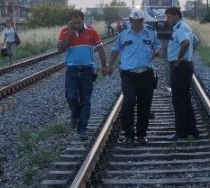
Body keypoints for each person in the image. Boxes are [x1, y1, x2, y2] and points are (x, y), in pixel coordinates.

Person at [107, 8, 161, 144]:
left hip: (146, 74)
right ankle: (128, 134)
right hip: (128, 74)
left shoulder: (151, 32)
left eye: (139, 21)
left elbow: (157, 45)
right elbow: (115, 50)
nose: (137, 24)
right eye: (134, 21)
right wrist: (109, 66)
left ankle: (141, 134)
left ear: (143, 20)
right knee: (129, 102)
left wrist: (157, 50)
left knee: (145, 105)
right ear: (130, 20)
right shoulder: (123, 34)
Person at [57, 10, 108, 139]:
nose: (77, 25)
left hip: (87, 71)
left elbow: (100, 48)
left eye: (79, 22)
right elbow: (60, 48)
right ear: (70, 22)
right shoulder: (65, 31)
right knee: (71, 97)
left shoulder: (92, 31)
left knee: (85, 101)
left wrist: (104, 65)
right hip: (71, 71)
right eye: (74, 23)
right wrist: (69, 32)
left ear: (83, 20)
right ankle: (75, 114)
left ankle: (82, 129)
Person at [165, 6, 199, 141]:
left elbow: (186, 42)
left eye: (168, 17)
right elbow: (195, 42)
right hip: (186, 65)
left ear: (175, 16)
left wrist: (179, 60)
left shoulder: (180, 28)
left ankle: (181, 131)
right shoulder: (186, 26)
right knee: (185, 99)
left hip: (180, 67)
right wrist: (189, 56)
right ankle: (192, 130)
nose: (167, 20)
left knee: (178, 100)